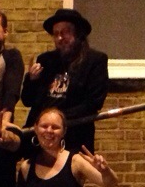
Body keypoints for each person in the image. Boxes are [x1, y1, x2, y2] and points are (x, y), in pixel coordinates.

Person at [20, 8, 108, 153]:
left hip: (74, 135)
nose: (60, 38)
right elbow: (27, 100)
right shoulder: (46, 60)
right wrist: (32, 80)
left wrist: (57, 120)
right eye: (56, 34)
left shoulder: (95, 60)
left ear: (78, 34)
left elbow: (94, 102)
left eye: (65, 32)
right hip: (41, 139)